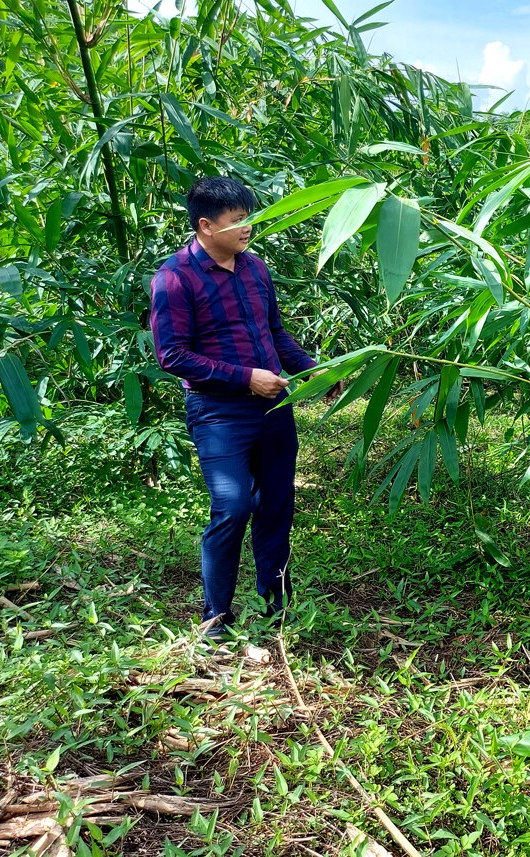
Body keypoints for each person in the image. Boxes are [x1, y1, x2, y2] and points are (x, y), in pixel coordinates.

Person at [150, 176, 318, 640]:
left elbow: (275, 333)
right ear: (206, 225)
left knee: (277, 504)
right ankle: (215, 618)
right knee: (232, 506)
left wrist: (311, 370)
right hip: (219, 412)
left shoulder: (255, 268)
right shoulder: (175, 279)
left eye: (249, 217)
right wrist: (246, 378)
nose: (248, 227)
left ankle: (275, 603)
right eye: (238, 220)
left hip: (275, 409)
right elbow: (173, 356)